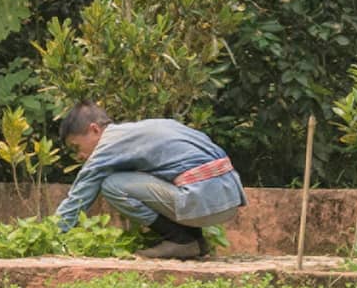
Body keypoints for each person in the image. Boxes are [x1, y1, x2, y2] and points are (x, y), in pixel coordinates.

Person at [54, 102, 245, 259]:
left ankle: (181, 240)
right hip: (228, 197)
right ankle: (196, 241)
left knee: (112, 185)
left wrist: (51, 233)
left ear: (95, 130)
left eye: (76, 146)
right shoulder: (144, 129)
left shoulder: (107, 146)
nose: (79, 155)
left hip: (202, 199)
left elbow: (78, 198)